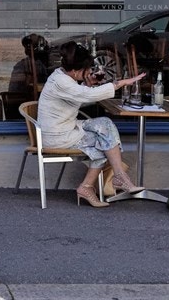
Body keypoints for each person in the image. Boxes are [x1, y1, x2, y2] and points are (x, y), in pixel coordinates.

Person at [37, 42, 144, 208]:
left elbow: (78, 97)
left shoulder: (62, 76)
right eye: (88, 69)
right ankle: (102, 182)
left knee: (105, 126)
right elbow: (87, 96)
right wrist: (119, 83)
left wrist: (86, 85)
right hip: (57, 136)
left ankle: (108, 180)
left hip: (64, 128)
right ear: (78, 70)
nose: (89, 72)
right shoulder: (61, 81)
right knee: (103, 141)